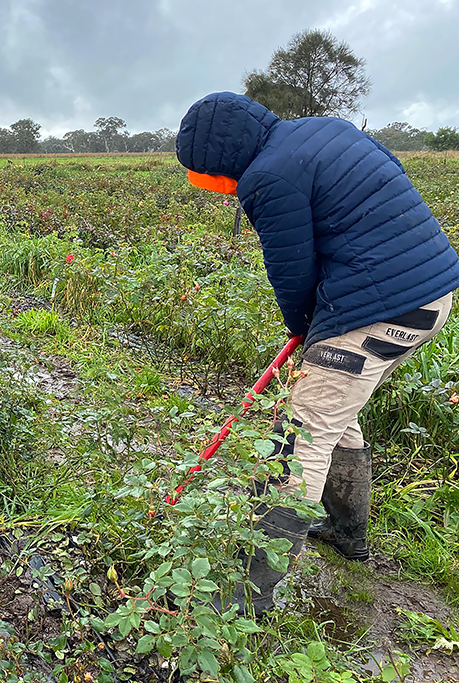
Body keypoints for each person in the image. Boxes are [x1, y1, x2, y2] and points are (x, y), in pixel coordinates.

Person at [176, 91, 459, 613]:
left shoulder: (268, 177)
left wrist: (307, 330)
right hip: (431, 293)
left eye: (213, 179)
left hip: (383, 307)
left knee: (301, 433)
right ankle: (348, 534)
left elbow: (292, 271)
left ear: (223, 159)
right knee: (335, 415)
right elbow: (385, 184)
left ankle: (247, 601)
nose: (221, 191)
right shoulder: (326, 129)